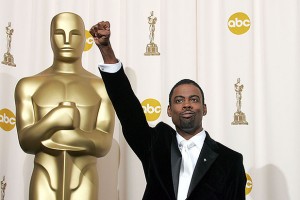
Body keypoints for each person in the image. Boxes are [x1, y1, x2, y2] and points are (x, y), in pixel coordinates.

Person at [90, 21, 246, 200]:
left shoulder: (229, 160)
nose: (187, 104)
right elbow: (127, 108)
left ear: (204, 109)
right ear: (170, 110)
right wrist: (106, 49)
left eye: (193, 100)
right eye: (179, 100)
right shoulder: (156, 145)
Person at [15, 12, 115, 200]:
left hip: (84, 177)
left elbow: (103, 145)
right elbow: (26, 142)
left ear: (84, 39)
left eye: (75, 34)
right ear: (51, 37)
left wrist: (60, 136)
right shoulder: (28, 85)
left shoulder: (101, 87)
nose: (67, 40)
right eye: (60, 33)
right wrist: (54, 119)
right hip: (44, 176)